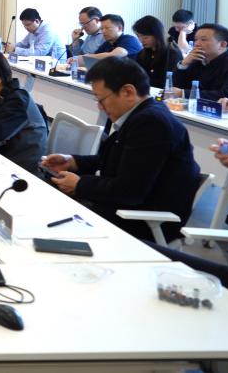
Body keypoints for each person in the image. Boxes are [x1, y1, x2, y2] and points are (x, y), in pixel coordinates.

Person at [42, 57, 201, 243]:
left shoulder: (151, 123)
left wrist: (80, 184)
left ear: (128, 92)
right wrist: (73, 162)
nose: (99, 107)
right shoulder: (141, 114)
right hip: (126, 207)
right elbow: (114, 160)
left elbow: (129, 191)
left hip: (142, 220)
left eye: (101, 99)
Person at [173, 23, 228, 101]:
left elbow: (227, 95)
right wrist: (184, 63)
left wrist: (183, 93)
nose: (197, 43)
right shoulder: (196, 59)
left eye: (203, 39)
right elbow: (175, 87)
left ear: (222, 44)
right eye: (196, 39)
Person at [68, 14, 141, 66]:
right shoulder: (107, 43)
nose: (103, 31)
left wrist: (84, 58)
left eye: (107, 28)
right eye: (102, 28)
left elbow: (114, 55)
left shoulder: (129, 39)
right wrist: (74, 60)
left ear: (119, 28)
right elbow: (93, 60)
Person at [132, 15, 180, 90]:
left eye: (145, 37)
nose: (141, 41)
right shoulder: (143, 53)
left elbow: (168, 82)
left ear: (157, 35)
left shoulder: (171, 53)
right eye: (138, 36)